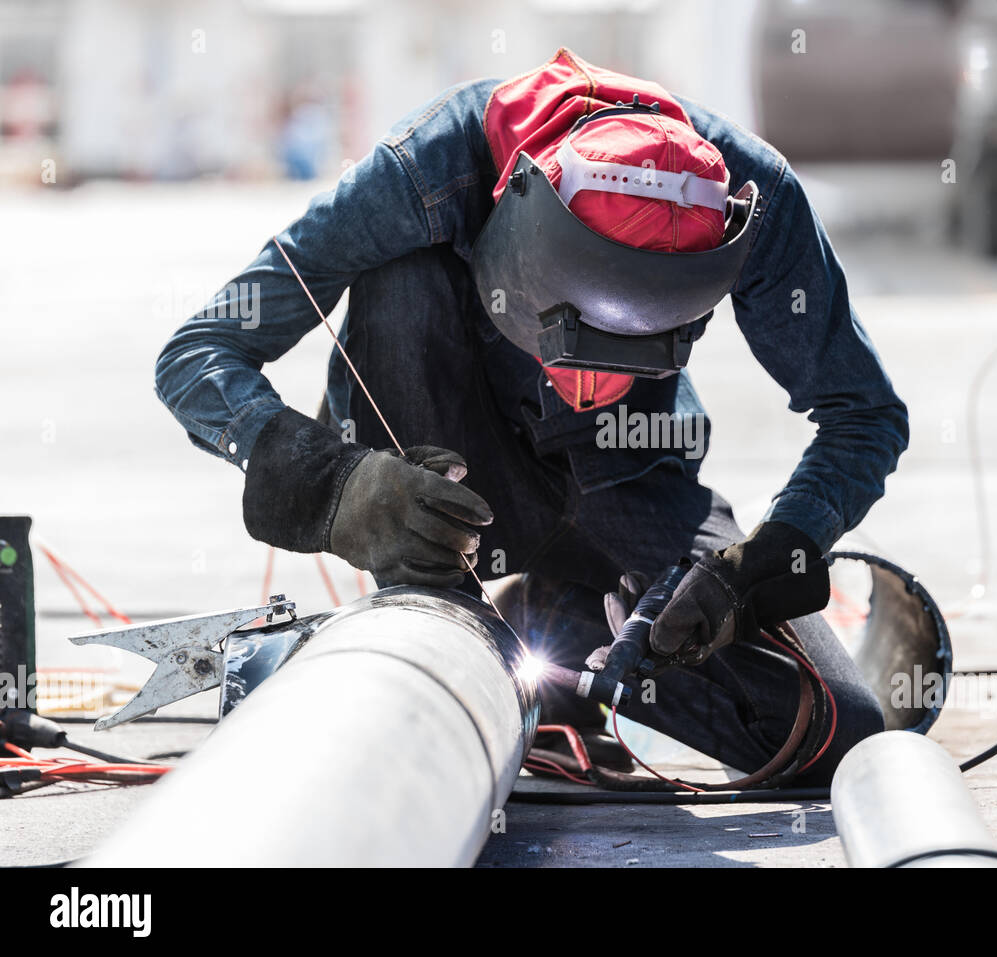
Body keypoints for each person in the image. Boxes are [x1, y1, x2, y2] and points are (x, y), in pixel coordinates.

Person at [155, 49, 909, 784]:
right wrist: (338, 485)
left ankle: (558, 617)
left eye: (635, 353)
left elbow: (864, 413)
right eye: (576, 346)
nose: (590, 387)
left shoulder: (749, 200)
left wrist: (766, 560)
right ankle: (439, 591)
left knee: (835, 731)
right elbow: (199, 352)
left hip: (633, 472)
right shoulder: (425, 169)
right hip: (445, 483)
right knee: (403, 271)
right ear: (521, 234)